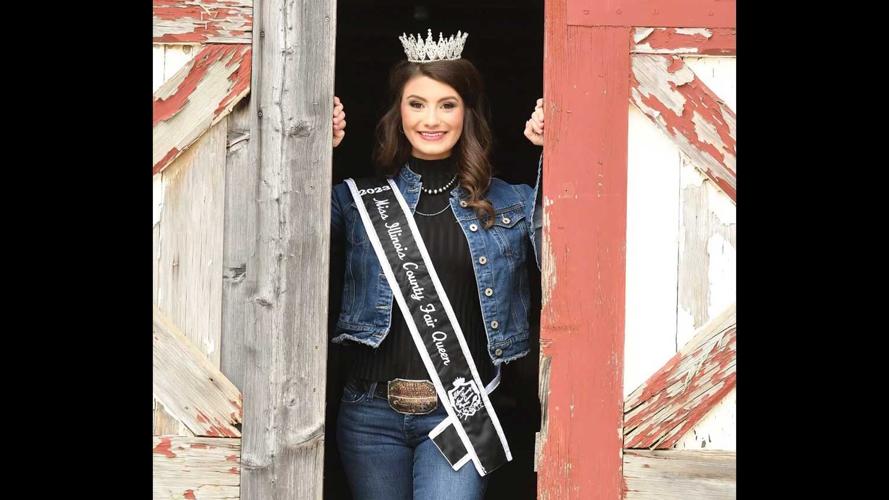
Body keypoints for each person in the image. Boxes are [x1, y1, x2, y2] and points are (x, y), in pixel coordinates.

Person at [328, 29, 545, 500]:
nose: (432, 119)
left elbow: (571, 236)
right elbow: (287, 234)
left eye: (447, 104)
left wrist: (557, 145)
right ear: (397, 112)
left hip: (462, 410)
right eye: (417, 103)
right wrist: (308, 147)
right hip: (370, 417)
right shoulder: (355, 202)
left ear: (466, 112)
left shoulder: (509, 203)